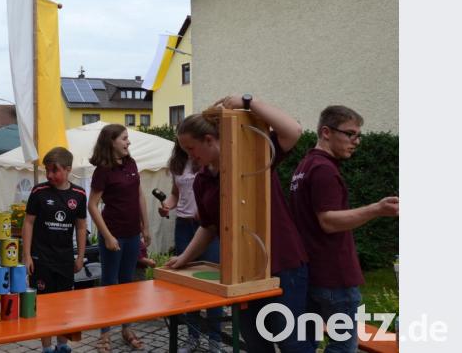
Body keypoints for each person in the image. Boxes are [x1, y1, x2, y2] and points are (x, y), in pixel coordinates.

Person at [166, 95, 312, 353]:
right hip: (242, 273)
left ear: (210, 140)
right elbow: (209, 226)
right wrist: (184, 258)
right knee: (256, 343)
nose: (189, 156)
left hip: (283, 265)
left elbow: (293, 130)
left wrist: (248, 101)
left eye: (191, 149)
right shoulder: (201, 180)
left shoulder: (254, 158)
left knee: (292, 343)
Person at [289, 106, 399, 352]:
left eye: (358, 135)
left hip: (313, 274)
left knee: (309, 342)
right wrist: (376, 209)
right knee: (344, 346)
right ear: (326, 132)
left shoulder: (304, 166)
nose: (356, 142)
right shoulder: (324, 170)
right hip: (335, 277)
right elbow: (328, 221)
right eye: (350, 134)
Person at [87, 124, 151, 352]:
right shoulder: (103, 170)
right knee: (109, 285)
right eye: (124, 138)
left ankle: (126, 328)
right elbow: (92, 205)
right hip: (113, 236)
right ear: (111, 141)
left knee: (127, 285)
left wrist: (146, 226)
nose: (128, 142)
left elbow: (139, 194)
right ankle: (104, 334)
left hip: (133, 234)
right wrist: (107, 236)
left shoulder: (131, 163)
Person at [158, 135, 222, 348]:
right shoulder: (177, 163)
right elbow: (175, 195)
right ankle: (192, 337)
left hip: (207, 228)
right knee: (188, 285)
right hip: (184, 226)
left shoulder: (206, 161)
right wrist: (167, 205)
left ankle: (215, 340)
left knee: (214, 282)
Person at [22, 147, 87, 353]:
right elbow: (28, 223)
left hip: (65, 260)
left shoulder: (79, 194)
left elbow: (81, 226)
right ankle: (47, 348)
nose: (50, 175)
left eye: (54, 170)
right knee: (43, 305)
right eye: (47, 171)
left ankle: (62, 344)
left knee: (64, 304)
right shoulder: (39, 192)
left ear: (68, 169)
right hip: (41, 260)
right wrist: (26, 256)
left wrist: (80, 256)